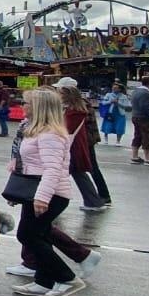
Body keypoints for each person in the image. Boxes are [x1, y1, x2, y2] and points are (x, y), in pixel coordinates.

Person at [5, 88, 90, 296]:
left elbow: (52, 169)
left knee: (27, 234)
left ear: (39, 108)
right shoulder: (38, 130)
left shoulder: (50, 134)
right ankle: (44, 281)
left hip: (49, 193)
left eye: (27, 103)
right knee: (39, 235)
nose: (23, 106)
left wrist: (42, 197)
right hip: (38, 191)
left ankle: (66, 277)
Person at [54, 78, 109, 212]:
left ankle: (98, 199)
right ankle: (96, 199)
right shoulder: (75, 106)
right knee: (79, 172)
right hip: (79, 143)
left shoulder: (76, 108)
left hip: (77, 144)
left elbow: (70, 128)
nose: (57, 92)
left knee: (81, 171)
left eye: (60, 90)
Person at [128, 75, 149, 165]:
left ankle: (135, 156)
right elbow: (145, 106)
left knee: (137, 136)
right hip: (145, 119)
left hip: (135, 116)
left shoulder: (136, 91)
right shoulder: (145, 93)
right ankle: (148, 159)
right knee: (148, 136)